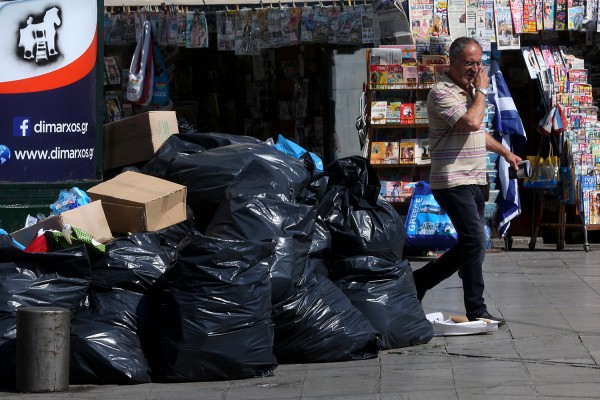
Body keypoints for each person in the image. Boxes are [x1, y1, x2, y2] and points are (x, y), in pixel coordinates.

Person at [412, 37, 521, 325]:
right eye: (468, 63)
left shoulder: (471, 94)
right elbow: (472, 122)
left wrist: (505, 152)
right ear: (452, 62)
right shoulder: (441, 92)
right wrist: (482, 92)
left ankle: (418, 282)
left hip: (475, 178)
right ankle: (477, 309)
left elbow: (477, 133)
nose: (474, 69)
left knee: (470, 245)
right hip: (452, 180)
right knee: (475, 242)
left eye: (478, 63)